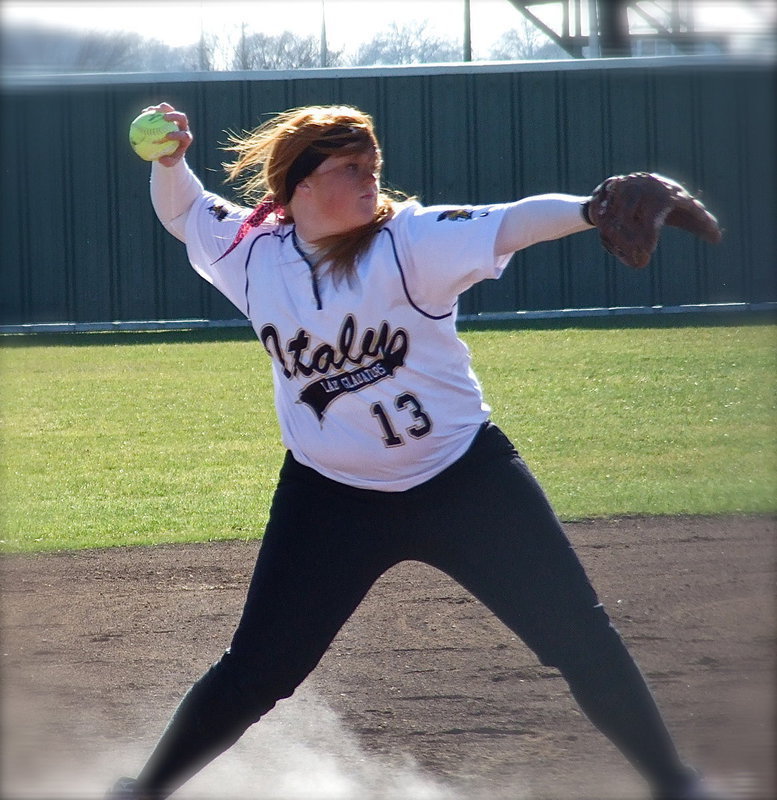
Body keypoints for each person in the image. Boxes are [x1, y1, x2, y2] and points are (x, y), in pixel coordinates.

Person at [109, 101, 717, 800]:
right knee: (257, 672)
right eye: (349, 168)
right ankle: (144, 790)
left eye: (373, 166)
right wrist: (170, 161)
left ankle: (676, 786)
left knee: (580, 639)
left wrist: (592, 207)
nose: (371, 180)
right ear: (300, 185)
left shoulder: (409, 242)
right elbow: (187, 213)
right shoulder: (247, 252)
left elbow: (508, 220)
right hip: (329, 498)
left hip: (465, 484)